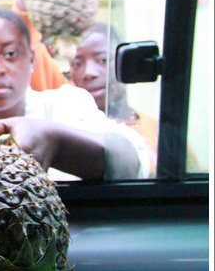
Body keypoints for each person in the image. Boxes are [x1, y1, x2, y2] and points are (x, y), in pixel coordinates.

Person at [0, 6, 152, 181]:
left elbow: (134, 161)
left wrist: (58, 142)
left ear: (32, 60)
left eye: (10, 54)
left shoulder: (68, 103)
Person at [69, 22, 200, 177]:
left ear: (125, 63)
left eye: (103, 60)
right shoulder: (71, 132)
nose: (88, 73)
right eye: (77, 63)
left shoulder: (160, 130)